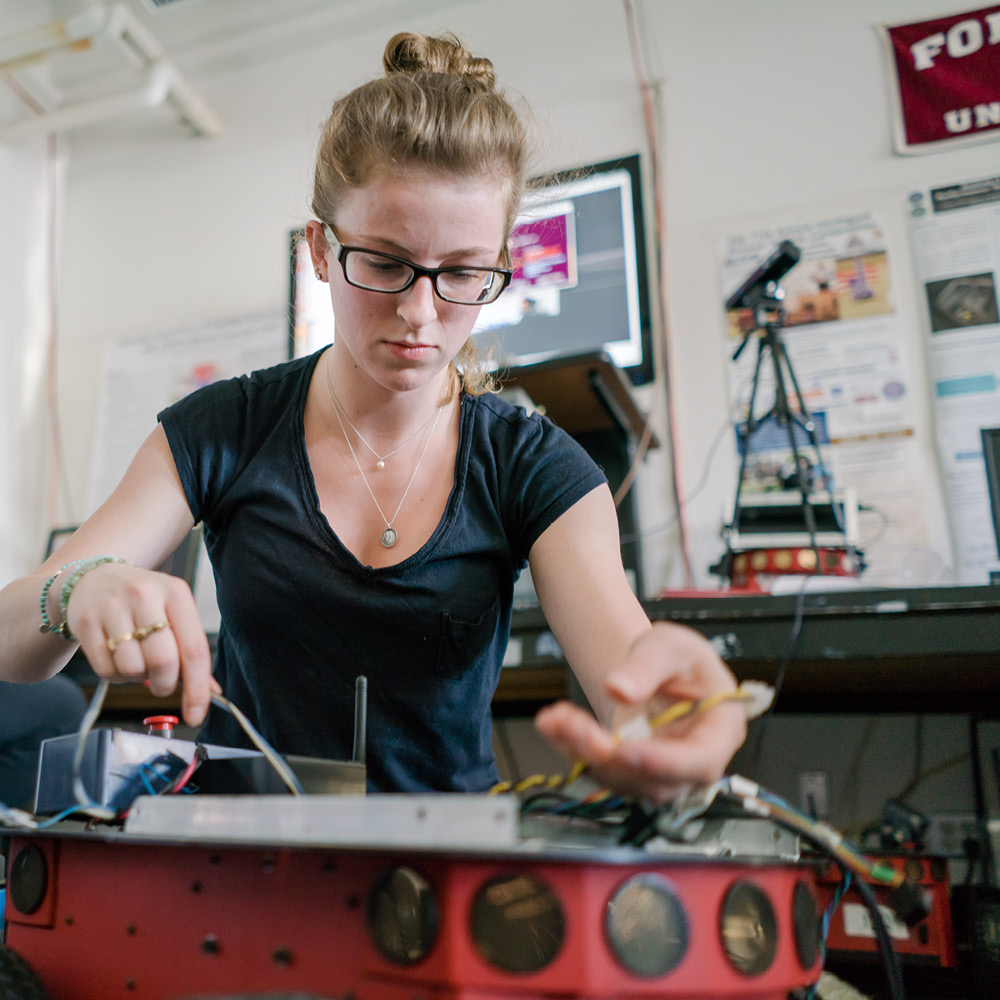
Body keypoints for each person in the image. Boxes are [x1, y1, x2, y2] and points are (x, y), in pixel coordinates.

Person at [0, 31, 745, 799]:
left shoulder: (538, 469)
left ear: (501, 267)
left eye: (461, 273)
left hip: (440, 883)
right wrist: (80, 586)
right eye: (385, 264)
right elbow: (11, 637)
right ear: (322, 251)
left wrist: (674, 717)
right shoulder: (221, 430)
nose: (421, 312)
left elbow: (629, 667)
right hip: (241, 862)